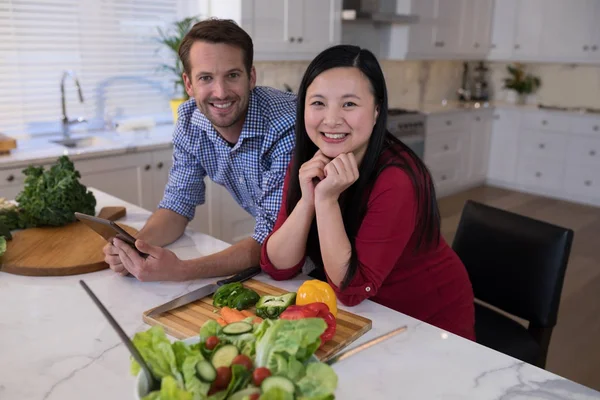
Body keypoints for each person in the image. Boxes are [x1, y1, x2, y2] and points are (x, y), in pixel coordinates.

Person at [260, 44, 476, 341]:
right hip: (369, 317)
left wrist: (326, 200)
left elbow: (351, 290)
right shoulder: (311, 161)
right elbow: (278, 266)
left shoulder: (396, 179)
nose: (332, 119)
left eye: (349, 104)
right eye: (318, 103)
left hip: (428, 323)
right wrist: (309, 198)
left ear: (376, 110)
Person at [104, 19, 296, 281]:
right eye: (206, 78)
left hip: (346, 250)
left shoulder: (285, 124)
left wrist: (181, 270)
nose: (220, 92)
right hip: (289, 255)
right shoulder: (189, 122)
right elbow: (177, 205)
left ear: (250, 77)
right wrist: (136, 247)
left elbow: (273, 236)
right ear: (189, 84)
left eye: (232, 75)